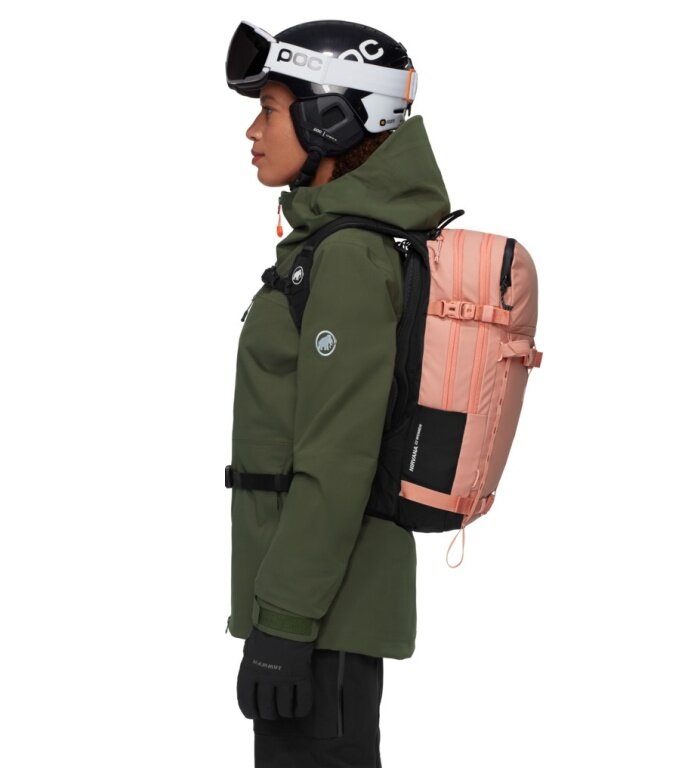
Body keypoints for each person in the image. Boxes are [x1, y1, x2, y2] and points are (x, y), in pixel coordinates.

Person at [224, 19, 451, 767]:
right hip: (312, 609)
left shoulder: (350, 256)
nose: (253, 131)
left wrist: (286, 625)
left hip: (322, 622)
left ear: (330, 119)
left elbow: (339, 455)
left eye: (270, 110)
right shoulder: (333, 244)